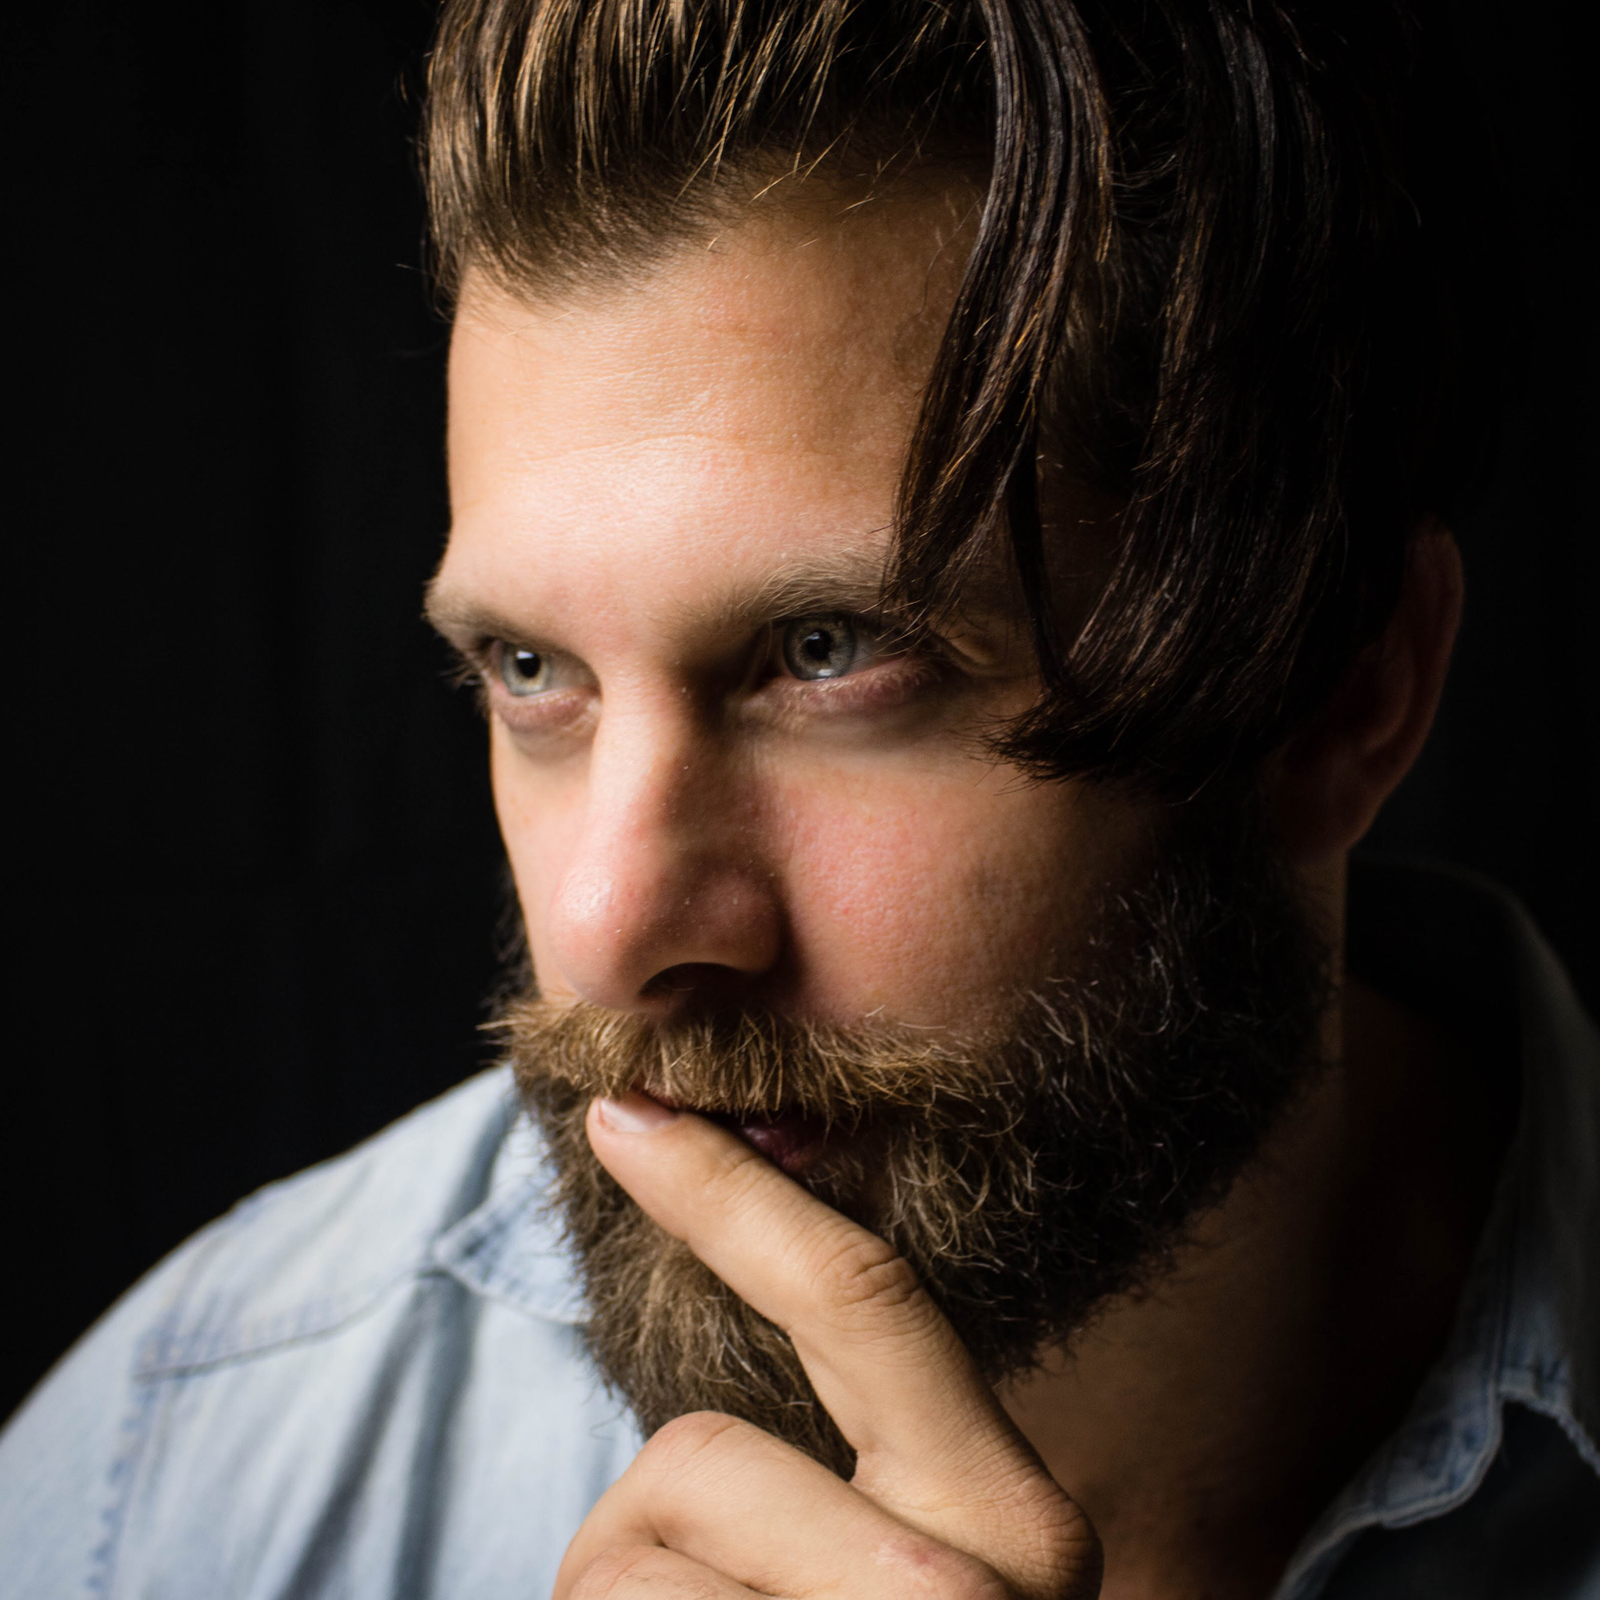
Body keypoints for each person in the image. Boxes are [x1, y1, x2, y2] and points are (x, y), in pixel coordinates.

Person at [3, 1, 1595, 1595]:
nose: (607, 927)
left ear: (1339, 692)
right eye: (534, 672)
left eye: (827, 656)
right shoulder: (155, 1491)